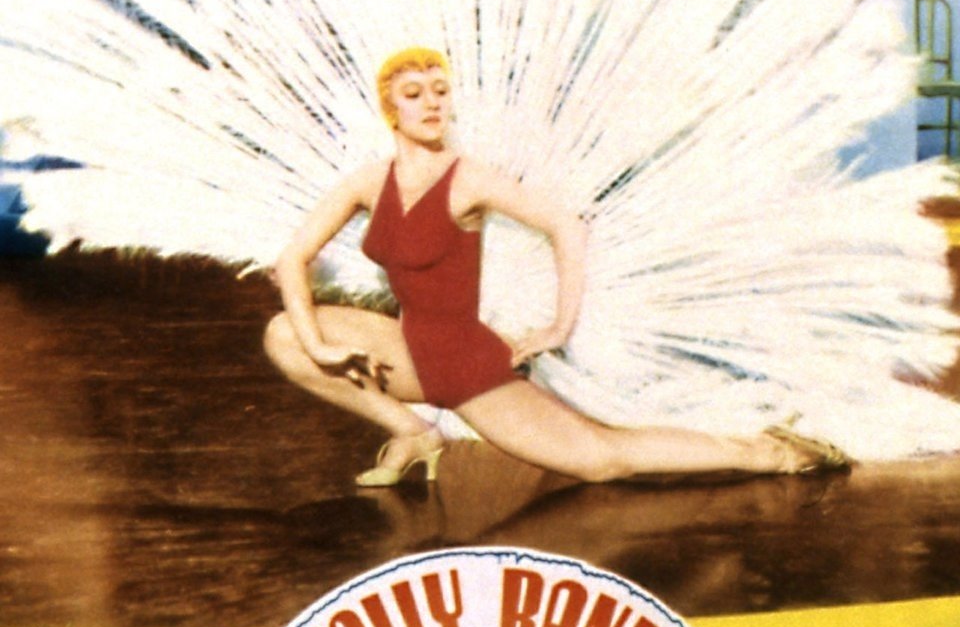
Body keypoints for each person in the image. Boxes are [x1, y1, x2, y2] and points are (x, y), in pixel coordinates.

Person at [265, 46, 848, 487]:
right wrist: (320, 347)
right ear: (390, 108)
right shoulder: (369, 181)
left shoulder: (469, 180)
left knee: (600, 460)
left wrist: (557, 328)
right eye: (415, 93)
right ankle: (414, 432)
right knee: (285, 334)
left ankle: (771, 452)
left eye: (441, 91)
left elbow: (567, 226)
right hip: (409, 347)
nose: (433, 103)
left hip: (465, 365)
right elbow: (292, 258)